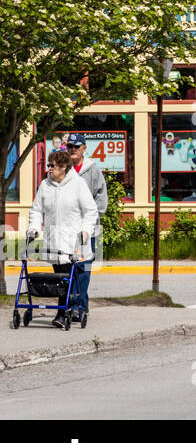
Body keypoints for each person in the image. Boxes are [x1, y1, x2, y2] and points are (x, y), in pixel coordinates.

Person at [26, 149, 97, 327]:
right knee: (60, 278)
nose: (49, 169)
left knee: (68, 278)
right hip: (54, 242)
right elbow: (36, 210)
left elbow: (91, 211)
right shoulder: (45, 185)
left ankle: (64, 313)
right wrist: (34, 227)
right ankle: (69, 310)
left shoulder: (78, 184)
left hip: (73, 241)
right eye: (48, 165)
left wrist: (86, 230)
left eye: (53, 166)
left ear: (64, 167)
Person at [65, 134, 106, 315]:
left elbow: (101, 198)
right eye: (70, 146)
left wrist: (89, 222)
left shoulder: (93, 170)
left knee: (83, 267)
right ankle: (79, 304)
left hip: (87, 229)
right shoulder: (63, 169)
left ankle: (77, 306)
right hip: (66, 229)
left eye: (77, 146)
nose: (73, 149)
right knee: (67, 267)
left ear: (84, 148)